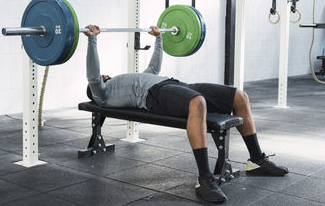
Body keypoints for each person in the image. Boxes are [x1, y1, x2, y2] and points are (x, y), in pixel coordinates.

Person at [84, 25, 288, 203]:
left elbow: (154, 67)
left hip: (174, 84)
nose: (102, 76)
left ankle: (256, 160)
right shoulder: (103, 94)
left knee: (240, 97)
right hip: (155, 96)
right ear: (94, 92)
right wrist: (93, 40)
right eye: (99, 80)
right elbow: (93, 75)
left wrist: (158, 38)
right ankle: (204, 178)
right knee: (197, 102)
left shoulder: (128, 77)